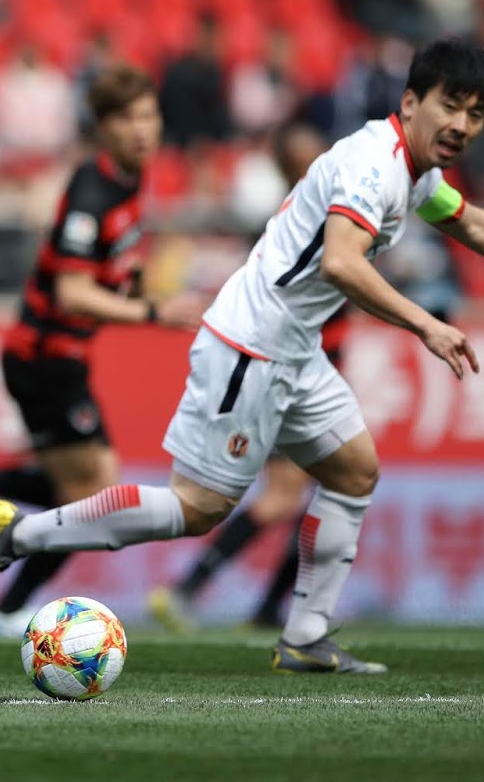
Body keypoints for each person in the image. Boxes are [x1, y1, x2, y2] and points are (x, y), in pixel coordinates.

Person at [0, 38, 484, 674]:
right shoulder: (373, 166)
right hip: (251, 345)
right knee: (196, 508)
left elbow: (472, 223)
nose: (462, 123)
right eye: (450, 106)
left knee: (353, 470)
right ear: (410, 103)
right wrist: (425, 324)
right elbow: (344, 263)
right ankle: (25, 533)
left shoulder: (413, 168)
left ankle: (306, 635)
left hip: (294, 349)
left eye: (477, 113)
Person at [0, 67, 205, 635]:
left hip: (61, 356)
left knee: (83, 489)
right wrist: (152, 312)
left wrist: (148, 288)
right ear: (103, 127)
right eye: (127, 118)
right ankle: (5, 603)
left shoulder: (129, 181)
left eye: (149, 115)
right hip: (43, 355)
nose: (142, 129)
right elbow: (73, 292)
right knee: (96, 492)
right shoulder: (91, 192)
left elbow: (116, 266)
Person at [148, 120, 336, 633]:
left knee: (318, 493)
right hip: (288, 377)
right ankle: (202, 593)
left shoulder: (318, 217)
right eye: (304, 156)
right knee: (296, 495)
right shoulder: (300, 225)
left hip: (308, 374)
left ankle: (259, 604)